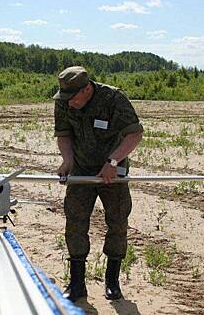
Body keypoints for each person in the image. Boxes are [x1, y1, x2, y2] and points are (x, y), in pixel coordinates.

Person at [54, 66, 143, 302]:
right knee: (75, 220)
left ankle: (112, 281)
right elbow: (63, 134)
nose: (69, 103)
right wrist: (68, 161)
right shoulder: (64, 100)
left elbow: (135, 134)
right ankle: (76, 284)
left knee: (117, 220)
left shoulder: (113, 98)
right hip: (81, 168)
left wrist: (113, 161)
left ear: (87, 88)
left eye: (73, 98)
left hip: (113, 168)